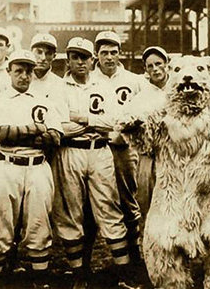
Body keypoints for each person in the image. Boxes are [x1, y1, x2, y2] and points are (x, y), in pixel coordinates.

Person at [53, 37, 134, 289]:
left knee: (110, 210)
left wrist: (81, 118)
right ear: (68, 59)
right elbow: (60, 128)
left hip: (100, 151)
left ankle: (124, 274)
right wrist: (93, 123)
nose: (80, 62)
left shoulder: (103, 85)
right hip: (70, 153)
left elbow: (114, 122)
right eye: (75, 57)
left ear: (92, 60)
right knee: (71, 212)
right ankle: (80, 275)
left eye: (85, 57)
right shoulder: (59, 88)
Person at [0, 50, 62, 289]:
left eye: (28, 70)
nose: (24, 76)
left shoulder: (44, 99)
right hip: (5, 167)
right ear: (9, 72)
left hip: (37, 168)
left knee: (39, 229)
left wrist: (22, 132)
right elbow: (0, 134)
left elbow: (55, 137)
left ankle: (41, 283)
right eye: (19, 70)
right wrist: (36, 128)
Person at [90, 31, 145, 262]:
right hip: (95, 147)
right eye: (104, 53)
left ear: (120, 54)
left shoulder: (135, 81)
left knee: (128, 199)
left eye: (114, 52)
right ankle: (85, 264)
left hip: (124, 148)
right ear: (96, 55)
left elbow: (144, 114)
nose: (109, 57)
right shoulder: (87, 79)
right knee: (90, 203)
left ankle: (134, 256)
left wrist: (126, 135)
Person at [129, 46, 170, 223]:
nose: (155, 69)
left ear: (167, 64)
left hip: (175, 155)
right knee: (148, 205)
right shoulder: (141, 97)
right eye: (150, 66)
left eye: (158, 64)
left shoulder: (178, 89)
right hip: (150, 157)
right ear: (145, 69)